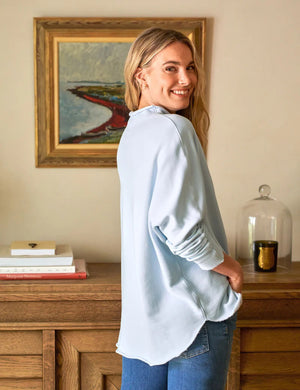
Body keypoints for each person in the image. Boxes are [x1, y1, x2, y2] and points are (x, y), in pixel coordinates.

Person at [116, 27, 243, 390]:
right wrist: (229, 267)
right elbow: (180, 231)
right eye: (171, 68)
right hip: (192, 314)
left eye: (190, 68)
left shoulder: (133, 133)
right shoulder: (173, 129)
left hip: (145, 320)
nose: (186, 79)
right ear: (142, 74)